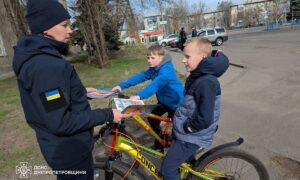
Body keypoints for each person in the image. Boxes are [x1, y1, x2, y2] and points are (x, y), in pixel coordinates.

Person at [12, 0, 127, 179]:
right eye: (64, 25)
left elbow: (50, 100)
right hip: (70, 152)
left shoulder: (38, 58)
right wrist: (108, 114)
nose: (70, 30)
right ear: (46, 28)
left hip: (61, 148)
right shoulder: (46, 66)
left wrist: (81, 92)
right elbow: (61, 122)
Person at [161, 37, 229, 180]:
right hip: (189, 133)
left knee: (167, 170)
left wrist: (187, 128)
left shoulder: (206, 82)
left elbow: (205, 118)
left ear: (203, 57)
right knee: (182, 165)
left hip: (193, 136)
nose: (183, 60)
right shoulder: (198, 75)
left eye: (187, 56)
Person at [112, 44, 184, 150]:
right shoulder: (153, 68)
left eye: (152, 58)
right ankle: (160, 140)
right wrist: (121, 86)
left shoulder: (166, 70)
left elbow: (156, 84)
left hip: (177, 103)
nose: (149, 60)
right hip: (164, 101)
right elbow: (140, 77)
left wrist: (139, 96)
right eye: (148, 58)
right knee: (152, 118)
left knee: (177, 131)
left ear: (161, 58)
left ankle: (177, 150)